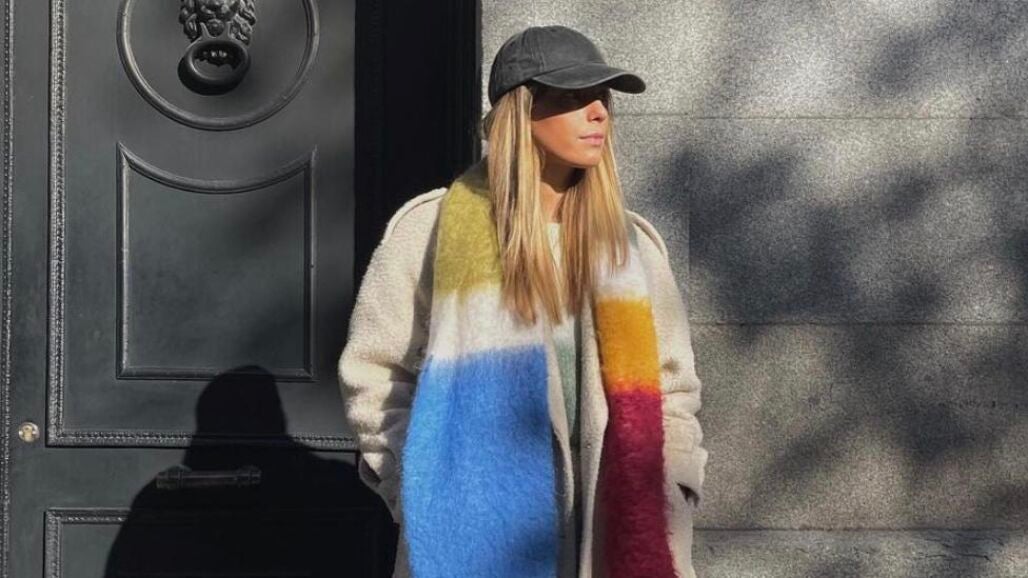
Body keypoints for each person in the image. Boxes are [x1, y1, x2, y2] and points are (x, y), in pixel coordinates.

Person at [338, 24, 707, 578]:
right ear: (521, 111)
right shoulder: (429, 231)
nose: (599, 113)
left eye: (603, 99)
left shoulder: (631, 247)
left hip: (610, 529)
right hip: (471, 533)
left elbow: (673, 386)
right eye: (575, 97)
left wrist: (674, 486)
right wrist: (419, 489)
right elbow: (374, 373)